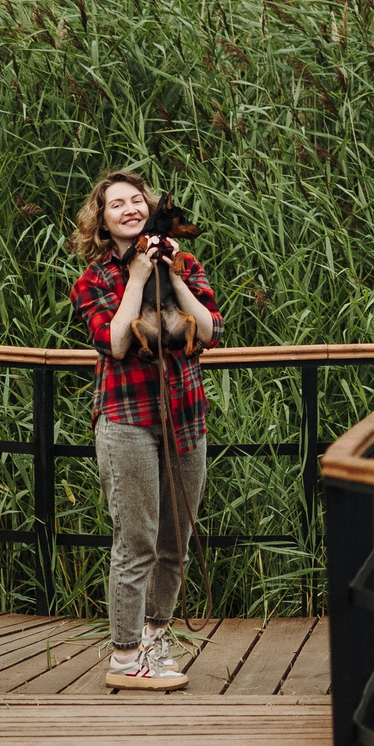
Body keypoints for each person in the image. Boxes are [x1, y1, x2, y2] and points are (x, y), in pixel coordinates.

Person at [67, 169, 223, 689]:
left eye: (138, 200)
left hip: (185, 417)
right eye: (117, 204)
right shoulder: (94, 280)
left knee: (174, 539)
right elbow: (114, 343)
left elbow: (210, 331)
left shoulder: (187, 262)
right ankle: (124, 655)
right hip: (127, 420)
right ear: (102, 222)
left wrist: (173, 274)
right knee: (136, 539)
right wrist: (136, 278)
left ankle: (156, 638)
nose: (131, 208)